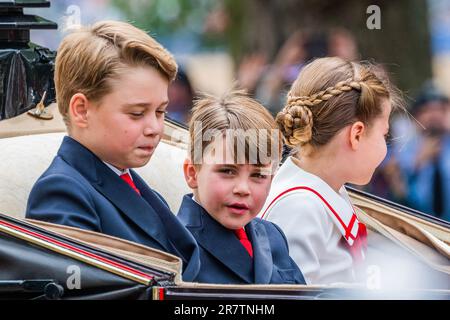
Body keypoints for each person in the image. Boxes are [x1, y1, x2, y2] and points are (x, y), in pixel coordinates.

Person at [26, 20, 200, 281]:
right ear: (82, 110)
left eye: (161, 111)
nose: (155, 128)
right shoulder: (61, 194)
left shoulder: (135, 186)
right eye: (137, 113)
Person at [259, 57, 402, 284]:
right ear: (356, 135)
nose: (386, 145)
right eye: (384, 135)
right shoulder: (299, 208)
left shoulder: (324, 191)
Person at [177, 89, 305, 284]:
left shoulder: (273, 236)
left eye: (258, 175)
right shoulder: (177, 246)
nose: (243, 188)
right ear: (193, 173)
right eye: (228, 171)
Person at [394, 81, 450, 221]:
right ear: (417, 116)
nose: (435, 115)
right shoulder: (404, 150)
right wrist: (418, 162)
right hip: (419, 227)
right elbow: (398, 195)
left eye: (440, 109)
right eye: (428, 110)